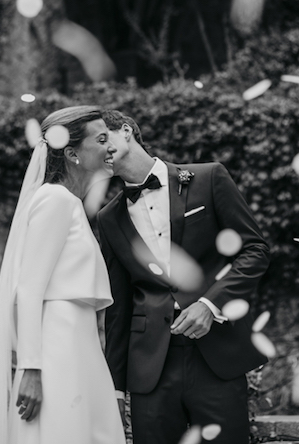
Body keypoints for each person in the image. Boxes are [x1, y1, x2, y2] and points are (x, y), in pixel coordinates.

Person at [97, 110, 271, 444]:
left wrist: (210, 303)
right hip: (150, 365)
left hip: (216, 355)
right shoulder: (108, 218)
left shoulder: (208, 177)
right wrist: (116, 390)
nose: (101, 149)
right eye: (94, 145)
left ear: (127, 130)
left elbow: (255, 250)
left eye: (104, 137)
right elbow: (118, 308)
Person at [0, 106, 125, 444]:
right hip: (58, 353)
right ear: (72, 154)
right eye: (101, 139)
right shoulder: (54, 200)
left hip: (78, 347)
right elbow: (28, 289)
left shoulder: (70, 203)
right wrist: (31, 369)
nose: (111, 146)